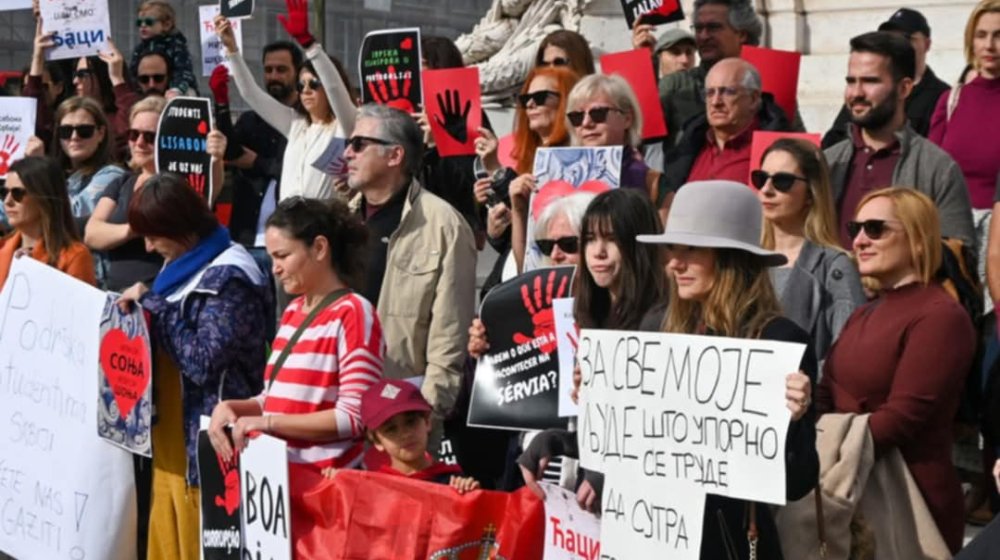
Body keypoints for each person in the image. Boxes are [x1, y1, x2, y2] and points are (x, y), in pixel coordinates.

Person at [641, 180, 817, 558]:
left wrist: (796, 420)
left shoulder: (779, 341)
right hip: (657, 535)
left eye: (691, 249)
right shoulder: (658, 329)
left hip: (728, 543)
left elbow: (797, 483)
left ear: (731, 258)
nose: (674, 263)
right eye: (673, 248)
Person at [116, 173, 270, 560]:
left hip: (209, 456)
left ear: (181, 228)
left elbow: (203, 362)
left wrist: (153, 305)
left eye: (154, 236)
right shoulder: (179, 266)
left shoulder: (230, 277)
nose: (148, 247)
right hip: (170, 449)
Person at [817, 187, 976, 553]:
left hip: (910, 502)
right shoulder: (863, 313)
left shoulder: (941, 316)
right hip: (848, 490)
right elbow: (827, 391)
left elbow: (905, 417)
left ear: (918, 240)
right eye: (855, 228)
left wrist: (826, 447)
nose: (859, 240)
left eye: (875, 229)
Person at [207, 196, 383, 474]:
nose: (275, 268)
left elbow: (355, 417)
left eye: (283, 256)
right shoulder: (292, 311)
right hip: (282, 482)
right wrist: (234, 407)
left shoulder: (354, 312)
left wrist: (268, 423)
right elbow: (276, 399)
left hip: (324, 486)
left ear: (319, 248)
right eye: (272, 257)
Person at [345, 104, 476, 455]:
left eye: (359, 144)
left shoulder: (444, 225)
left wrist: (426, 418)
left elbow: (450, 336)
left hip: (400, 422)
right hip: (339, 412)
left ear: (395, 155)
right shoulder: (339, 221)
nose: (347, 153)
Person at [824, 31, 975, 249]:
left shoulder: (937, 168)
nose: (856, 93)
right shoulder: (827, 163)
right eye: (851, 81)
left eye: (870, 81)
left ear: (904, 88)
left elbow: (960, 254)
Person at [84, 96, 227, 292]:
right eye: (133, 134)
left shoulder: (179, 184)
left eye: (150, 137)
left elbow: (208, 193)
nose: (140, 143)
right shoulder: (122, 182)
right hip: (116, 293)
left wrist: (216, 159)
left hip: (164, 291)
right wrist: (136, 227)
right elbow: (92, 234)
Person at [217, 2, 356, 201]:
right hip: (286, 217)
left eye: (314, 84)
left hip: (323, 218)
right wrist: (232, 49)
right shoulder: (295, 123)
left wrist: (309, 44)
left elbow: (335, 88)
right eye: (301, 85)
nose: (306, 90)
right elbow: (251, 94)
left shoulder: (346, 125)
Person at [755, 138, 865, 364]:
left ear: (810, 193)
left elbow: (848, 354)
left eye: (782, 181)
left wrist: (810, 381)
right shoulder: (745, 259)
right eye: (761, 178)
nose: (766, 190)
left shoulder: (834, 266)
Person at [210, 40, 301, 273]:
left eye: (281, 70)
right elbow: (230, 152)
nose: (274, 76)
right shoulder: (250, 121)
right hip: (246, 239)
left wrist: (257, 163)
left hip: (289, 243)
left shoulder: (305, 123)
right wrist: (221, 102)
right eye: (268, 70)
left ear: (297, 73)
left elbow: (299, 172)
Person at [822, 8, 950, 148]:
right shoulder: (861, 94)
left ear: (927, 44)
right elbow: (833, 140)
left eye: (906, 38)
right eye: (890, 37)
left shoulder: (943, 96)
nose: (896, 44)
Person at [323, 379, 479, 494]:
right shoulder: (370, 488)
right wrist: (335, 488)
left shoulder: (452, 482)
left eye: (411, 422)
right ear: (376, 441)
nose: (405, 434)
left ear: (427, 422)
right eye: (391, 429)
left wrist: (469, 496)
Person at [662, 57, 792, 194]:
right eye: (710, 93)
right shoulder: (689, 145)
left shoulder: (776, 152)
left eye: (728, 92)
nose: (715, 102)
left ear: (753, 99)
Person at [659, 0, 764, 150]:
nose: (703, 36)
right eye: (698, 28)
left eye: (713, 27)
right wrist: (643, 61)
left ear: (741, 34)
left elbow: (794, 143)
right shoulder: (674, 86)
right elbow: (638, 136)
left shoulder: (769, 82)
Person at [929, 0, 1000, 212]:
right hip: (951, 221)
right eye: (981, 35)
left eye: (998, 35)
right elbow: (930, 170)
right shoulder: (951, 99)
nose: (989, 45)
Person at [564, 74, 668, 213]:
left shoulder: (652, 183)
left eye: (598, 113)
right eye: (576, 117)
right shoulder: (558, 178)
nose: (586, 123)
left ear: (627, 119)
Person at [0, 156, 95, 288]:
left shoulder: (74, 256)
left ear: (44, 197)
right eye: (4, 192)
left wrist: (35, 271)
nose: (7, 201)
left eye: (18, 193)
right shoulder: (2, 247)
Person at [128, 0, 198, 96]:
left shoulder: (176, 46)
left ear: (166, 25)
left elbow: (183, 71)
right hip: (148, 92)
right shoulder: (139, 49)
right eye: (139, 23)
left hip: (174, 91)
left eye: (148, 22)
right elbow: (133, 74)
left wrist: (177, 89)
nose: (143, 26)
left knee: (189, 92)